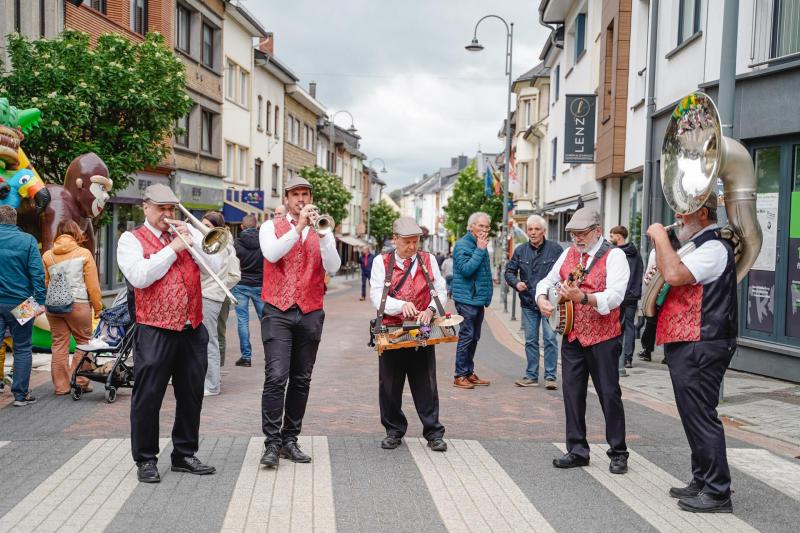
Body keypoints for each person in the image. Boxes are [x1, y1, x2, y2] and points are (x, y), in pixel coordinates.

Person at [117, 184, 223, 483]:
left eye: (170, 209)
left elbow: (214, 266)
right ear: (145, 207)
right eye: (161, 208)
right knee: (148, 396)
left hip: (191, 327)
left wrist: (197, 239)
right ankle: (146, 459)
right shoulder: (130, 239)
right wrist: (172, 248)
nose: (167, 214)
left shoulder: (185, 235)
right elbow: (140, 276)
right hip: (154, 328)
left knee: (191, 394)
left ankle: (184, 454)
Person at [646, 191, 737, 513]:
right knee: (691, 414)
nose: (678, 217)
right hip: (689, 340)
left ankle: (718, 491)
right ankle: (702, 479)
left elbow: (673, 275)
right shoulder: (697, 245)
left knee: (700, 415)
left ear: (703, 214)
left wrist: (660, 236)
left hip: (703, 340)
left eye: (684, 212)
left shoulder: (713, 247)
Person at [535, 207, 630, 475]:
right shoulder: (569, 254)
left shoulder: (615, 256)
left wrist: (584, 298)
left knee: (609, 394)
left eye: (582, 233)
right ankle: (577, 450)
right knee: (572, 394)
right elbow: (547, 280)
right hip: (573, 335)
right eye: (573, 234)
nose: (577, 238)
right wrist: (541, 298)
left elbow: (616, 296)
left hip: (603, 337)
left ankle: (618, 452)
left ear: (597, 231)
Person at [258, 176, 341, 468]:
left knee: (301, 379)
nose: (301, 199)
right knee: (276, 376)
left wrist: (324, 236)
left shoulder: (322, 230)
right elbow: (272, 254)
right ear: (286, 198)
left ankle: (290, 439)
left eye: (305, 194)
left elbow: (333, 267)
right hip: (277, 310)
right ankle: (271, 443)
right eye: (295, 194)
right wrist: (299, 227)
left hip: (310, 310)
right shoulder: (270, 227)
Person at [370, 217, 447, 452]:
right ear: (395, 240)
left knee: (426, 383)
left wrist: (431, 309)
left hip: (422, 329)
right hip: (392, 331)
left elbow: (440, 290)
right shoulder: (381, 262)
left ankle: (433, 432)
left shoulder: (428, 260)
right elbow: (376, 295)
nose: (412, 247)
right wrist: (400, 305)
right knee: (390, 385)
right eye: (407, 242)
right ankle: (393, 430)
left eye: (416, 242)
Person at [42, 219, 103, 395]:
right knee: (84, 342)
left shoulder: (47, 255)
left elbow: (46, 282)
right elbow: (93, 285)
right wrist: (98, 307)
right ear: (76, 233)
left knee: (59, 344)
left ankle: (61, 386)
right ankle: (80, 381)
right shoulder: (84, 253)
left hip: (54, 306)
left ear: (58, 234)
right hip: (78, 304)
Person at [505, 215, 563, 389]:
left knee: (550, 339)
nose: (533, 232)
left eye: (537, 229)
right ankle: (531, 376)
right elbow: (509, 272)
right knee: (530, 340)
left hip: (549, 304)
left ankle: (550, 377)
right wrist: (516, 283)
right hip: (528, 302)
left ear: (544, 231)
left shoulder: (555, 249)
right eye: (530, 229)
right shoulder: (520, 250)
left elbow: (563, 272)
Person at [0, 206, 45, 407]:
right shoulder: (28, 241)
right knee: (23, 347)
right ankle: (20, 395)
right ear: (15, 220)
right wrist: (40, 301)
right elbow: (37, 273)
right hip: (23, 302)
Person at [451, 212, 493, 389]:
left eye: (487, 227)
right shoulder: (462, 245)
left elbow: (485, 273)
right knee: (467, 336)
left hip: (477, 299)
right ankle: (460, 375)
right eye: (480, 226)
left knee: (474, 337)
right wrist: (480, 250)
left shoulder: (479, 244)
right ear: (471, 226)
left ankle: (468, 372)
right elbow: (466, 270)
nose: (484, 230)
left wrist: (487, 295)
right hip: (466, 298)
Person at [200, 211, 240, 396]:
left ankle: (212, 384)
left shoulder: (226, 247)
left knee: (211, 340)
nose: (203, 229)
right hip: (202, 295)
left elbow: (234, 275)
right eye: (202, 225)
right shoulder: (204, 244)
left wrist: (219, 287)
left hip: (211, 296)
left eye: (207, 226)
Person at [609, 225, 643, 372]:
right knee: (629, 325)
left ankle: (618, 357)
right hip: (632, 294)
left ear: (619, 236)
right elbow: (639, 272)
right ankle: (628, 358)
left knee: (618, 325)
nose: (610, 238)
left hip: (619, 293)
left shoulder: (615, 253)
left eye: (612, 236)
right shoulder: (636, 253)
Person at [233, 214, 265, 368]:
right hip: (260, 284)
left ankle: (246, 357)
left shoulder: (236, 243)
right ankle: (271, 354)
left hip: (241, 285)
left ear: (242, 226)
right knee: (265, 320)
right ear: (256, 226)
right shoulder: (264, 241)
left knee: (242, 321)